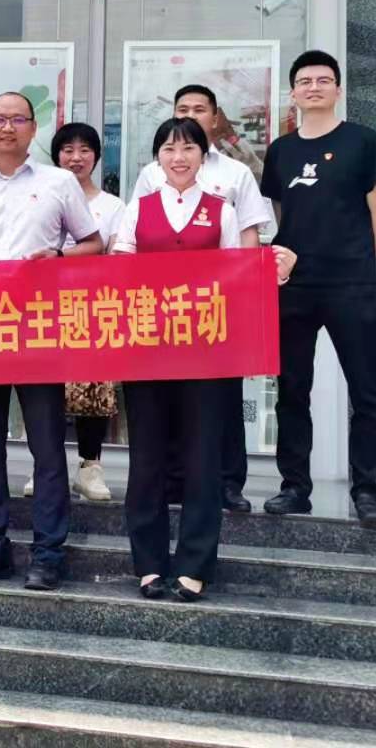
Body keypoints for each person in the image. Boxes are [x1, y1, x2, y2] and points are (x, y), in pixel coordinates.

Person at [113, 117, 296, 601]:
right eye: (169, 149)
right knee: (146, 460)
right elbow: (119, 271)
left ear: (202, 156)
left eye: (188, 148)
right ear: (157, 159)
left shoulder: (221, 210)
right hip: (147, 350)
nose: (179, 158)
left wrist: (273, 269)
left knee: (203, 459)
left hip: (206, 353)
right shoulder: (137, 209)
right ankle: (149, 564)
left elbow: (240, 272)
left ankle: (194, 565)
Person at [0, 91, 103, 591]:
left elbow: (94, 243)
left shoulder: (58, 182)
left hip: (40, 328)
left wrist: (58, 258)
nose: (8, 127)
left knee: (47, 445)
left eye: (18, 119)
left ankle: (48, 552)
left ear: (34, 129)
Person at [261, 50, 376, 528]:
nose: (313, 87)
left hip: (350, 283)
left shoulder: (364, 141)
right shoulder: (281, 150)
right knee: (293, 389)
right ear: (293, 93)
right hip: (294, 286)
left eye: (323, 79)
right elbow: (280, 213)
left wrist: (354, 261)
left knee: (366, 389)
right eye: (304, 81)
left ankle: (366, 490)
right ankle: (295, 487)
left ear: (338, 89)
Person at [133, 83, 274, 515]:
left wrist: (244, 295)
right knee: (171, 397)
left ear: (215, 117)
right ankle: (175, 480)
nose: (190, 116)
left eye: (199, 109)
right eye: (182, 109)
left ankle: (228, 483)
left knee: (223, 399)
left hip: (216, 307)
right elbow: (137, 239)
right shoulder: (151, 173)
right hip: (163, 311)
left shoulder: (235, 173)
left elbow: (248, 238)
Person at [50, 122, 125, 503]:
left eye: (84, 150)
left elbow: (116, 254)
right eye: (67, 150)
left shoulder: (112, 206)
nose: (75, 158)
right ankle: (46, 466)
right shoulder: (43, 197)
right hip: (43, 306)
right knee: (44, 388)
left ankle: (90, 466)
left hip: (93, 306)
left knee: (93, 390)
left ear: (96, 157)